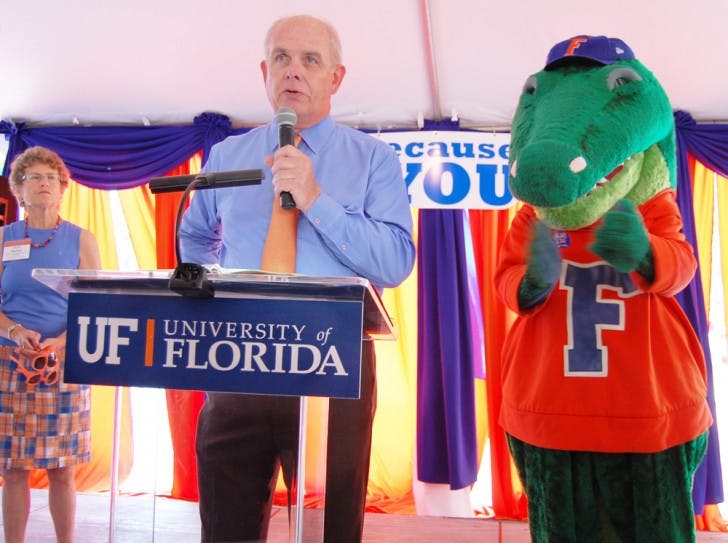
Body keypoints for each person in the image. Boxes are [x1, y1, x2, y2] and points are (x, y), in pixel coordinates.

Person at [178, 13, 415, 543]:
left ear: (336, 78)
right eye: (281, 58)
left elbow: (396, 262)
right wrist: (214, 287)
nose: (294, 71)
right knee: (224, 524)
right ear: (264, 71)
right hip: (237, 358)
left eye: (311, 60)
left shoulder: (374, 160)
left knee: (331, 527)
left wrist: (315, 200)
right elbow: (194, 236)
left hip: (332, 363)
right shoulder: (226, 156)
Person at [0, 146, 102, 543]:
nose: (43, 184)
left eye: (51, 178)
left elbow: (94, 304)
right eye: (33, 177)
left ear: (62, 189)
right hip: (10, 364)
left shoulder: (81, 239)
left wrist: (61, 342)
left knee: (62, 468)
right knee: (12, 469)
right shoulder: (4, 238)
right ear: (18, 190)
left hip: (62, 361)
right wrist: (13, 332)